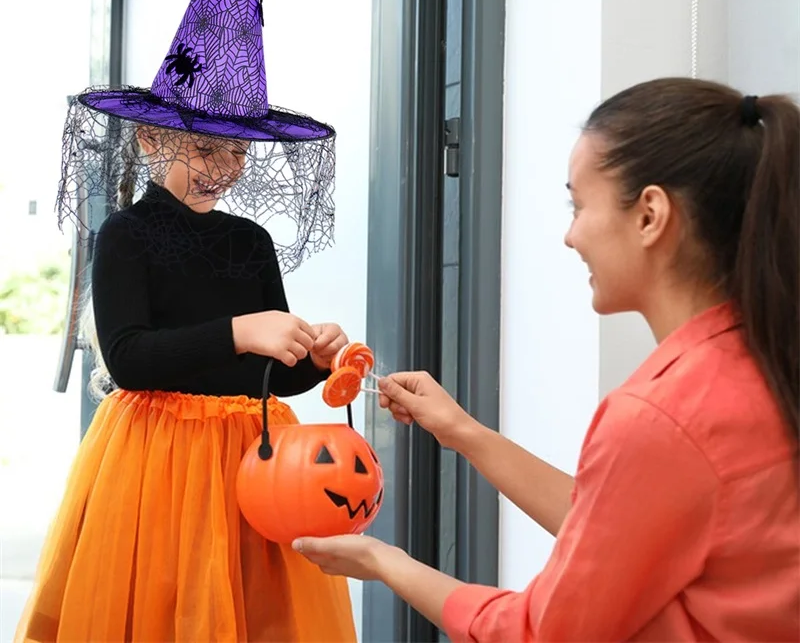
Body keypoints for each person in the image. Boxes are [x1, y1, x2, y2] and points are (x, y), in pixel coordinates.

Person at [293, 78, 800, 641]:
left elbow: (539, 632)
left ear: (651, 215)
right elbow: (613, 526)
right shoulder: (760, 364)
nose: (570, 235)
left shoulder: (662, 416)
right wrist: (462, 431)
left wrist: (384, 562)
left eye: (579, 205)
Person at [17, 0, 357, 642]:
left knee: (249, 620)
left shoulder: (249, 244)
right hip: (156, 471)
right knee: (159, 615)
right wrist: (243, 330)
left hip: (254, 468)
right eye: (207, 149)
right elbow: (133, 359)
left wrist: (311, 354)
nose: (225, 168)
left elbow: (273, 372)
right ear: (150, 143)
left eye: (238, 152)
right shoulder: (127, 236)